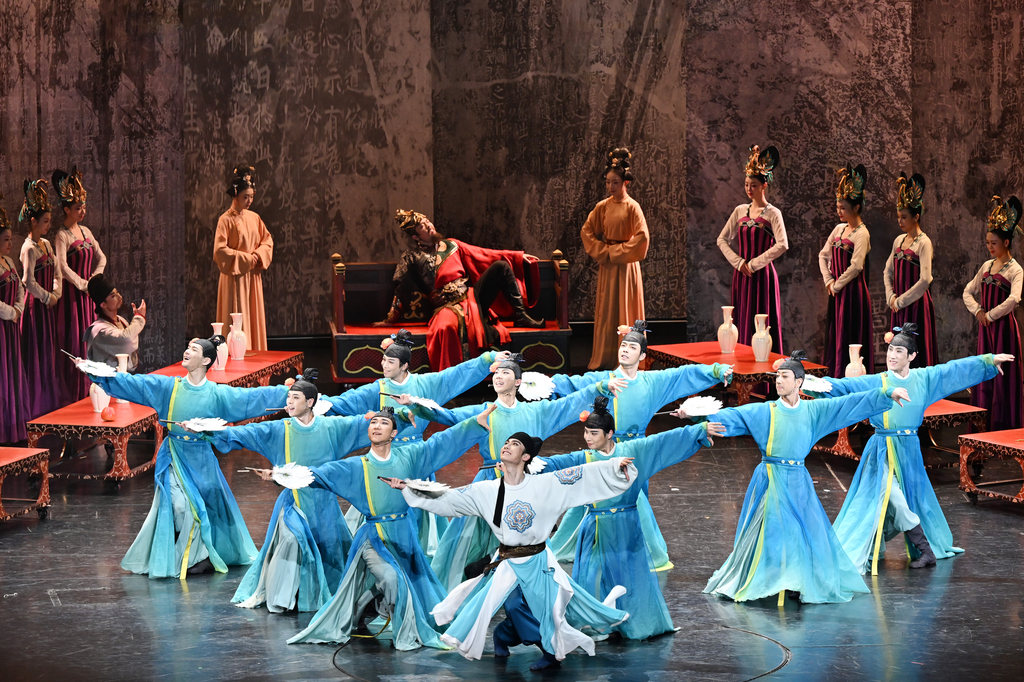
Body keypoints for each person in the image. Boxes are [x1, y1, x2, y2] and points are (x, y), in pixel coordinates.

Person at [388, 433, 636, 669]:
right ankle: (537, 646)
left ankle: (521, 642)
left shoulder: (545, 484)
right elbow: (448, 498)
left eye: (515, 444)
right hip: (508, 561)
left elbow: (581, 476)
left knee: (548, 610)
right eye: (506, 442)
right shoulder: (486, 490)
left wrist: (613, 466)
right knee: (515, 605)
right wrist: (409, 488)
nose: (507, 445)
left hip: (538, 561)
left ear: (526, 456)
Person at [405, 354, 626, 589]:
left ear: (518, 382)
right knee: (468, 541)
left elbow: (567, 405)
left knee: (527, 542)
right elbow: (446, 415)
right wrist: (415, 405)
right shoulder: (485, 410)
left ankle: (528, 589)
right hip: (491, 482)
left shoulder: (536, 412)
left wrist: (599, 388)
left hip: (524, 485)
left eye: (505, 373)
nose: (498, 376)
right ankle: (464, 588)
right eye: (496, 373)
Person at [703, 352, 909, 603]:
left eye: (784, 376)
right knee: (775, 528)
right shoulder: (767, 411)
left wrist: (884, 394)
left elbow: (847, 405)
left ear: (799, 382)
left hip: (798, 480)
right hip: (772, 478)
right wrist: (702, 419)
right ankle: (774, 577)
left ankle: (796, 579)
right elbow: (737, 416)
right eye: (777, 377)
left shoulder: (812, 411)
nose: (779, 381)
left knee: (804, 532)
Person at [285, 404, 495, 649]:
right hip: (373, 537)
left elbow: (439, 444)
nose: (376, 426)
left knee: (411, 583)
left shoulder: (409, 456)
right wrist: (283, 475)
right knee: (392, 579)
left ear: (394, 433)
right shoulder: (358, 465)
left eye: (383, 423)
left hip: (403, 535)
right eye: (373, 423)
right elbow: (321, 473)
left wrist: (473, 425)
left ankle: (364, 611)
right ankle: (404, 630)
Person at [79, 336, 287, 579]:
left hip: (201, 458)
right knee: (179, 505)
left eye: (194, 349)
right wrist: (97, 372)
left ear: (206, 360)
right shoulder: (170, 387)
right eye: (187, 347)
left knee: (207, 506)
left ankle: (203, 555)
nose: (187, 351)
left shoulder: (216, 394)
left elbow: (253, 398)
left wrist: (289, 393)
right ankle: (192, 555)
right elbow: (136, 383)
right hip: (174, 455)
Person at [817, 326, 1012, 574]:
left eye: (899, 351)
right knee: (891, 499)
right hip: (881, 450)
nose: (892, 355)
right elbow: (844, 387)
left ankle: (923, 549)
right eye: (890, 350)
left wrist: (988, 361)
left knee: (909, 500)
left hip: (908, 450)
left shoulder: (923, 379)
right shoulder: (878, 381)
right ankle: (923, 549)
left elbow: (952, 370)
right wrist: (811, 383)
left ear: (912, 356)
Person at [545, 320, 732, 568]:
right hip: (607, 449)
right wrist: (544, 384)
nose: (625, 350)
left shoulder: (651, 382)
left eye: (632, 347)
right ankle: (589, 542)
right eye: (623, 345)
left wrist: (716, 371)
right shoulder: (605, 380)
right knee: (594, 497)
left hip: (637, 451)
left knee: (634, 499)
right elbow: (573, 384)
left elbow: (683, 375)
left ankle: (632, 548)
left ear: (642, 355)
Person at [540, 398, 725, 640]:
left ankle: (635, 623)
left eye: (593, 433)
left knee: (630, 577)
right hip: (595, 527)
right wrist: (529, 461)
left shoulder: (633, 452)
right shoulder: (584, 458)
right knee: (591, 576)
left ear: (609, 434)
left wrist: (698, 430)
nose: (587, 438)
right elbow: (555, 464)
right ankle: (594, 624)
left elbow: (661, 442)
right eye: (585, 432)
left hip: (626, 526)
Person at [198, 370, 370, 613]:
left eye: (295, 398)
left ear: (310, 402)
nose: (289, 402)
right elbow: (247, 433)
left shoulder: (331, 426)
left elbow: (361, 425)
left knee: (328, 548)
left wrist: (387, 417)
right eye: (288, 398)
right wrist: (208, 430)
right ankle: (284, 595)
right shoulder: (281, 428)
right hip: (294, 501)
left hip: (323, 502)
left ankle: (318, 590)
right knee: (291, 540)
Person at [324, 329, 510, 554]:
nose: (384, 365)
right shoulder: (378, 388)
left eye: (390, 362)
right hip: (387, 456)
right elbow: (345, 402)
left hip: (416, 456)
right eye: (383, 360)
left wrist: (487, 359)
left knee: (418, 512)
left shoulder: (424, 384)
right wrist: (314, 401)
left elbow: (455, 376)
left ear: (404, 365)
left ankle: (416, 553)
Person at [378, 209, 543, 371]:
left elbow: (484, 254)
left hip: (471, 298)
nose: (428, 225)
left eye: (427, 221)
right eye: (422, 226)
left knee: (501, 266)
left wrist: (517, 257)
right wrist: (390, 318)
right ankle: (453, 376)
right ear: (415, 236)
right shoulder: (411, 256)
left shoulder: (452, 245)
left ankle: (521, 316)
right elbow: (400, 288)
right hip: (446, 306)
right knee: (446, 328)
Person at [580, 147, 650, 370]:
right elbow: (587, 231)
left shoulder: (633, 207)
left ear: (625, 183)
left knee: (627, 308)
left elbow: (642, 237)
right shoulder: (602, 207)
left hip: (627, 267)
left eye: (615, 183)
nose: (611, 187)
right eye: (608, 182)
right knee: (608, 311)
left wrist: (615, 252)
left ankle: (630, 359)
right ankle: (606, 358)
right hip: (609, 266)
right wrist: (604, 251)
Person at [717, 145, 787, 352]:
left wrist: (754, 264)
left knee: (762, 324)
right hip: (742, 275)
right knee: (742, 321)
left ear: (764, 185)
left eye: (754, 185)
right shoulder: (740, 211)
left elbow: (783, 244)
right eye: (746, 184)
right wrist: (739, 263)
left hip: (763, 276)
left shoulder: (773, 213)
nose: (749, 189)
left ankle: (765, 368)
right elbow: (721, 239)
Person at [962, 195, 1023, 430]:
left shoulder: (1015, 270)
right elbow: (967, 292)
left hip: (1003, 331)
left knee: (1003, 377)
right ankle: (983, 424)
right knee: (984, 373)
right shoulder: (986, 266)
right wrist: (978, 310)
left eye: (994, 243)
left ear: (1006, 242)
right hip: (986, 330)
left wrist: (990, 315)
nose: (990, 247)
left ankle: (1003, 425)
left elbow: (1014, 299)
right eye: (988, 242)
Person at [52, 167, 106, 403]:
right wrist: (84, 284)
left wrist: (95, 279)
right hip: (72, 298)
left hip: (87, 296)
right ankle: (74, 394)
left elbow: (102, 258)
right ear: (66, 209)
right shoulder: (62, 235)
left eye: (84, 206)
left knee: (92, 342)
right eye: (77, 208)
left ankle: (92, 390)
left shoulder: (85, 231)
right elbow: (62, 267)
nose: (82, 211)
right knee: (76, 341)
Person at [818, 163, 873, 378]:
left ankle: (852, 378)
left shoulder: (862, 233)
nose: (839, 211)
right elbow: (823, 255)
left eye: (843, 208)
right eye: (838, 207)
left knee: (851, 335)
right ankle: (835, 376)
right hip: (837, 291)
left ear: (856, 207)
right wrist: (828, 281)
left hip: (853, 294)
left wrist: (837, 285)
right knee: (835, 335)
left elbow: (856, 266)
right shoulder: (839, 229)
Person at [214, 165, 273, 351]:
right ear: (235, 195)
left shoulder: (255, 218)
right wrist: (247, 259)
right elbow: (220, 250)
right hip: (235, 277)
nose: (249, 201)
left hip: (252, 277)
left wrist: (258, 255)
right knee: (237, 318)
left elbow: (267, 241)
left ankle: (256, 354)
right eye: (245, 197)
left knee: (252, 317)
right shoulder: (225, 220)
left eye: (251, 197)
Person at [19, 179, 62, 419]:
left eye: (49, 220)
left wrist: (56, 292)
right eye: (45, 221)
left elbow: (56, 272)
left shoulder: (45, 244)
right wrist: (47, 297)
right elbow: (27, 281)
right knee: (36, 352)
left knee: (48, 353)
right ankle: (36, 406)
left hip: (47, 305)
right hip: (35, 306)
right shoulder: (28, 248)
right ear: (33, 221)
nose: (48, 225)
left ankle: (50, 404)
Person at [884, 172, 936, 368]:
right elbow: (887, 271)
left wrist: (901, 301)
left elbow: (925, 279)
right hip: (898, 304)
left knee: (915, 351)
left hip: (916, 305)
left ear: (916, 216)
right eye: (899, 217)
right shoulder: (898, 241)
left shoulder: (924, 242)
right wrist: (891, 297)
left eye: (904, 217)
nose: (900, 221)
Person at [0, 206, 28, 443]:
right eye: (6, 240)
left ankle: (14, 427)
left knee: (13, 373)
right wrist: (11, 312)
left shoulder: (8, 261)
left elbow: (20, 288)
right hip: (2, 326)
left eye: (10, 239)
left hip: (11, 326)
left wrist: (19, 308)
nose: (10, 243)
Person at [84, 274, 146, 370]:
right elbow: (127, 340)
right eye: (113, 296)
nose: (119, 296)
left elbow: (131, 343)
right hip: (107, 378)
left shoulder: (121, 320)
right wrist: (139, 317)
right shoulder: (99, 330)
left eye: (117, 292)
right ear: (103, 305)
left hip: (124, 375)